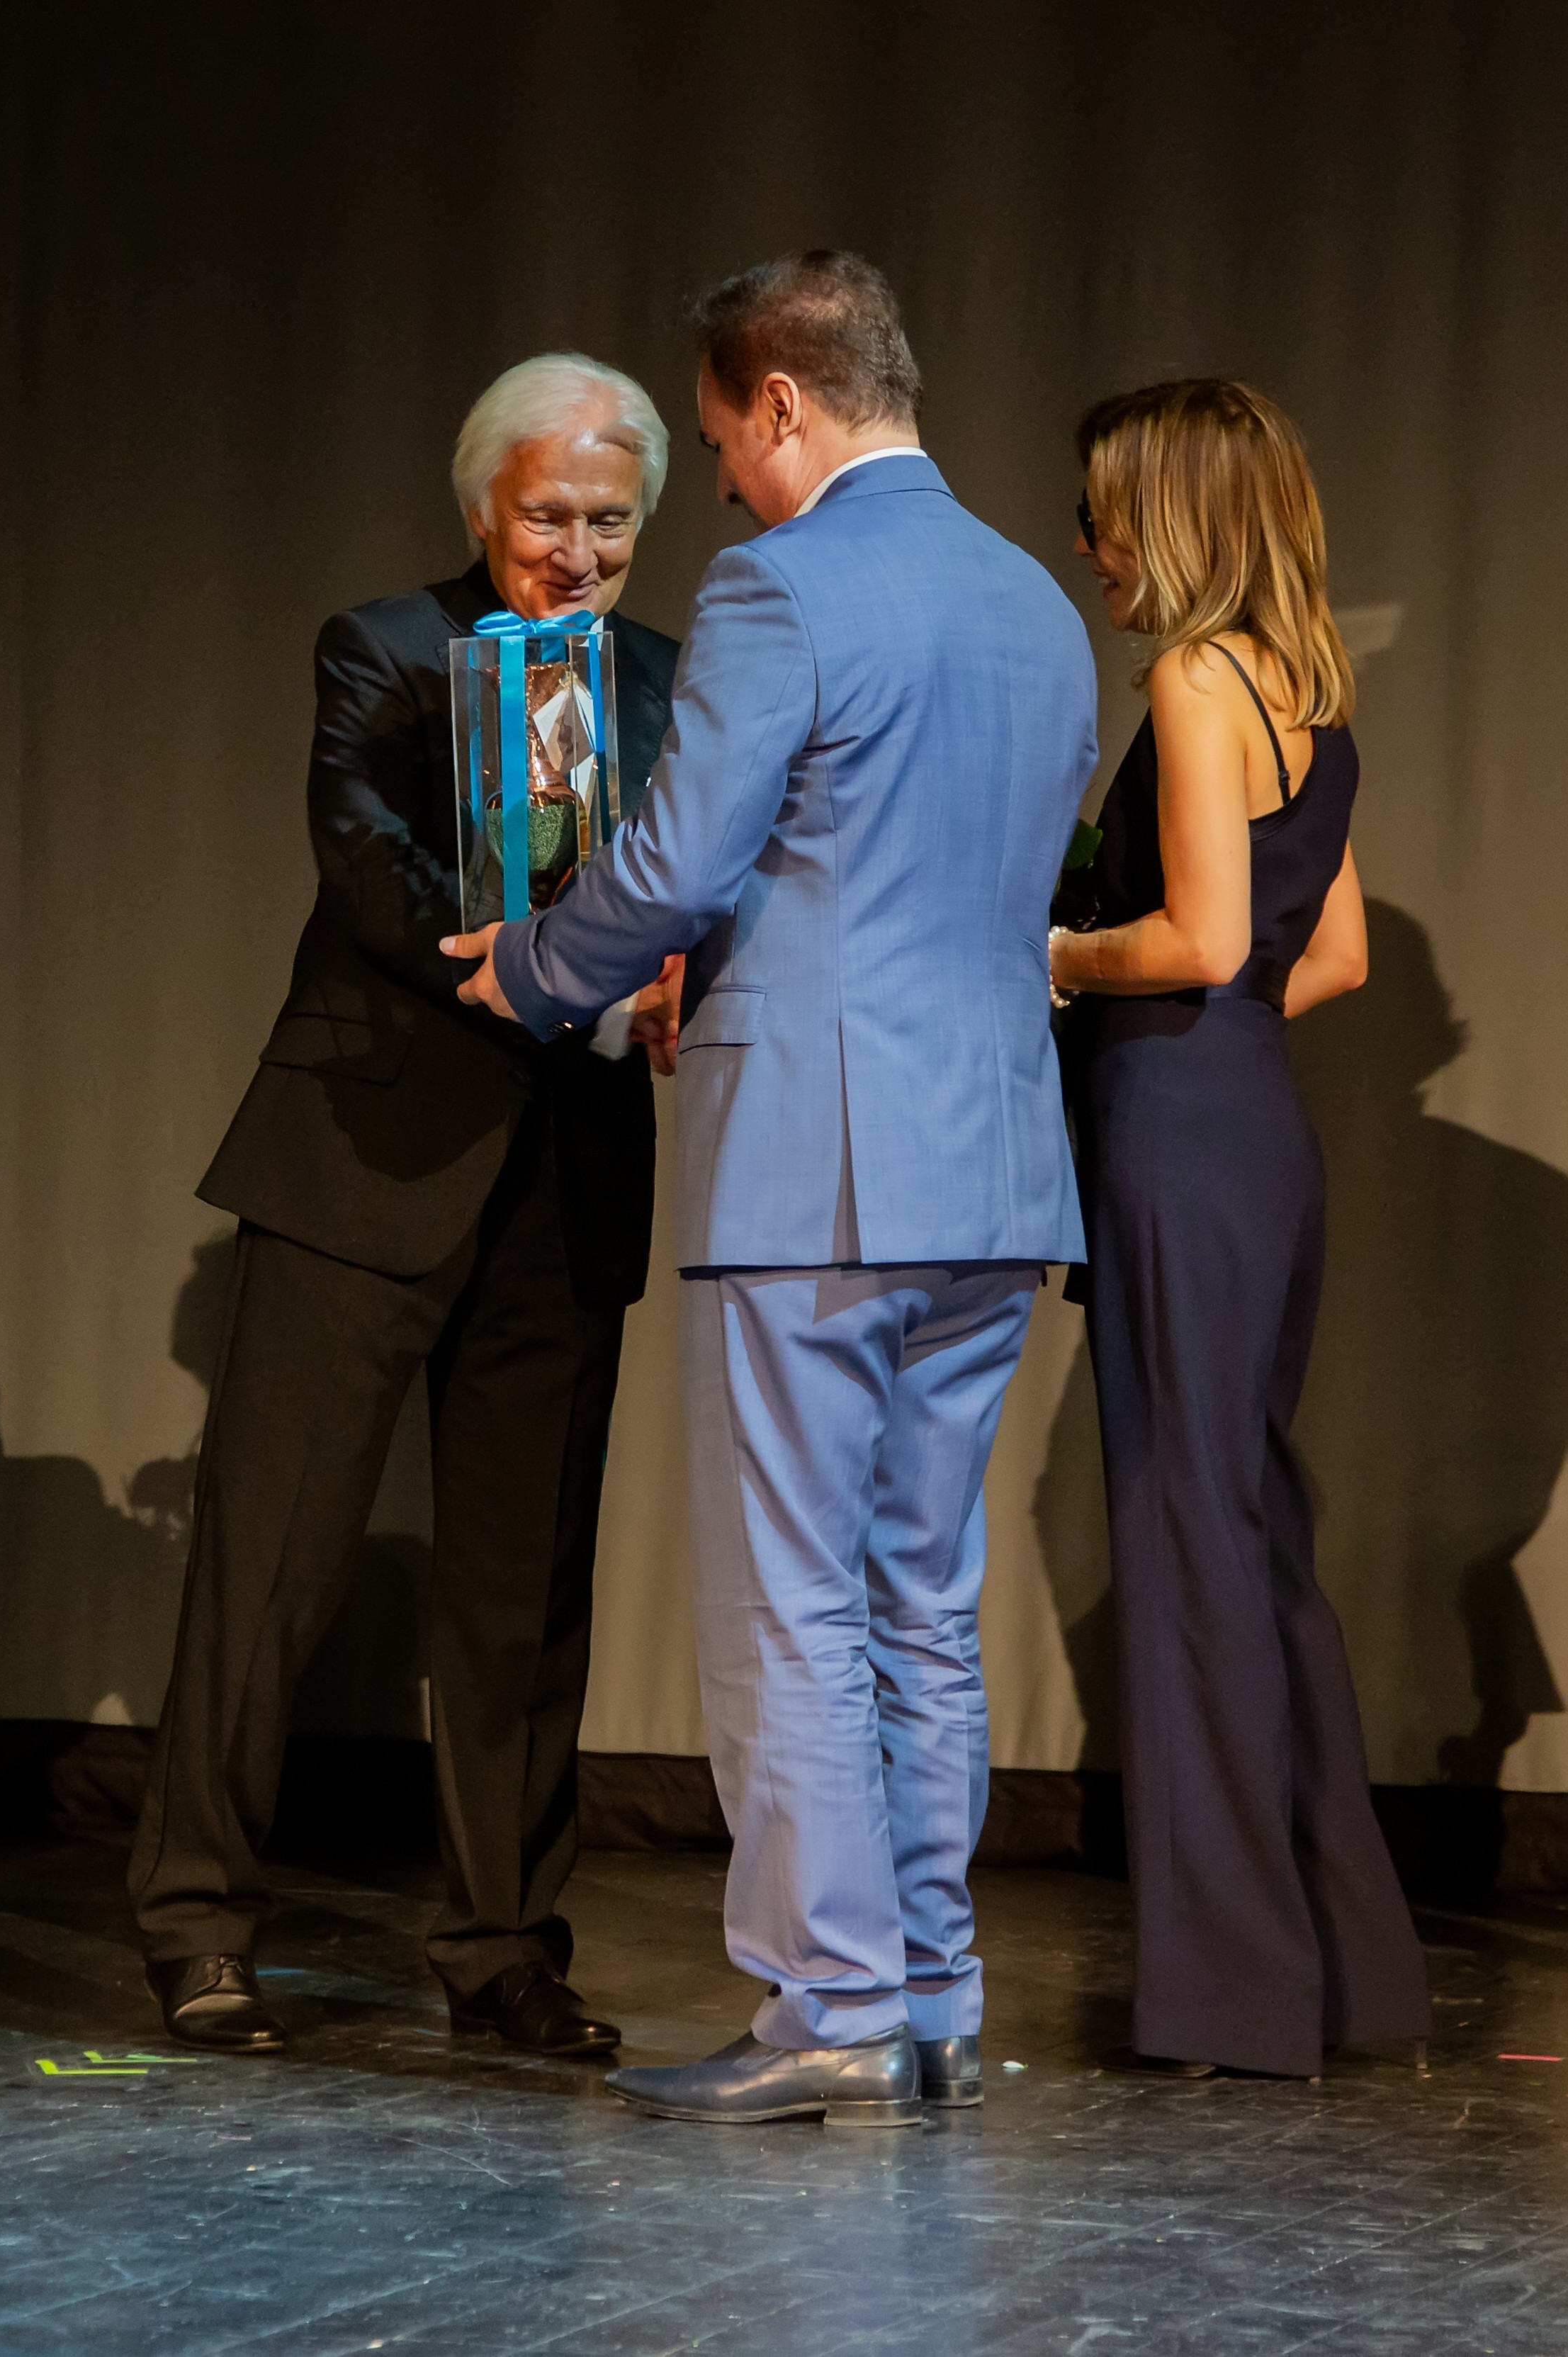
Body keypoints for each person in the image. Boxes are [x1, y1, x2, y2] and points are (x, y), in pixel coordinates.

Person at [446, 251, 1098, 2127]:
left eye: (723, 436)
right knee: (921, 1600)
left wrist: (533, 964)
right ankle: (930, 2001)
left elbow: (676, 858)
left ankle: (827, 2001)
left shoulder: (780, 583)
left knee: (792, 1600)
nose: (722, 483)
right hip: (990, 1167)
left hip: (814, 1170)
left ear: (786, 402)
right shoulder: (1039, 603)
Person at [129, 354, 681, 2056]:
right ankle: (198, 1920)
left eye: (608, 520)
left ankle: (503, 1945)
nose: (576, 551)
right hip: (363, 1159)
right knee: (271, 1567)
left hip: (566, 1177)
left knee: (521, 1596)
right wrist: (558, 963)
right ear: (479, 504)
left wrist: (687, 964)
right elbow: (370, 866)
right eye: (547, 514)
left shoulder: (670, 681)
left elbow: (707, 877)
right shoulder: (382, 648)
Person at [1051, 378, 1431, 2079]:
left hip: (1174, 1133)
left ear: (1172, 513)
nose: (1088, 544)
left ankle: (1227, 1995)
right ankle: (1342, 1974)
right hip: (1256, 1134)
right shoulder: (1309, 691)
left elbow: (1200, 941)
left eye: (1102, 512)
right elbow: (1323, 956)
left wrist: (1054, 955)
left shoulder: (1195, 679)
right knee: (1248, 1535)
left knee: (1184, 1536)